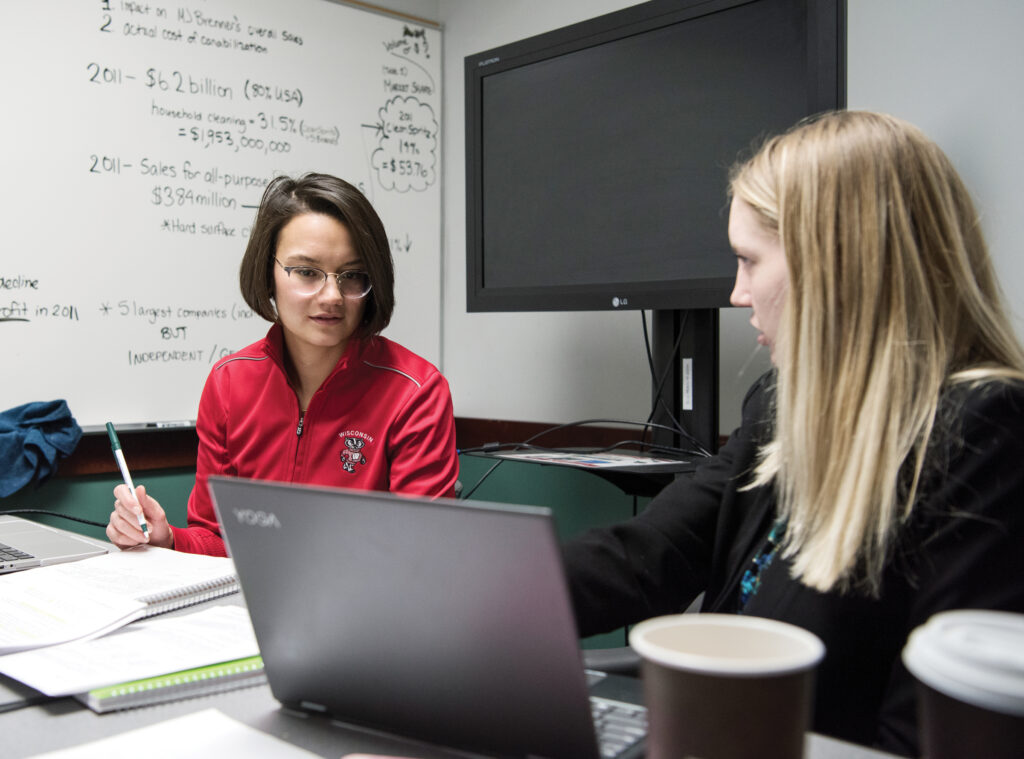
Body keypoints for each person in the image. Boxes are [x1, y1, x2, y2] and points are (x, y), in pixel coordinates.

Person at [561, 111, 1024, 756]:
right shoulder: (782, 402)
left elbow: (924, 733)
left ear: (837, 266)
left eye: (750, 261)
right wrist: (487, 602)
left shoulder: (987, 433)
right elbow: (652, 551)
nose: (737, 292)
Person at [106, 174, 459, 556]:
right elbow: (218, 537)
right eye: (307, 272)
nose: (332, 296)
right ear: (268, 274)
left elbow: (421, 556)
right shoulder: (230, 383)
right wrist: (168, 540)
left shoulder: (415, 392)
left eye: (352, 276)